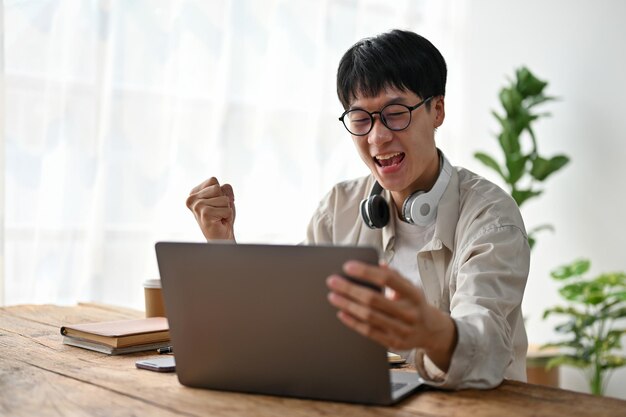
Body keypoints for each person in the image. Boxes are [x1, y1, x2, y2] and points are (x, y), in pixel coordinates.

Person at [185, 29, 529, 390]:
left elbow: (487, 340)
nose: (377, 137)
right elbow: (283, 318)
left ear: (437, 110)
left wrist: (432, 331)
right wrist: (223, 245)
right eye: (361, 119)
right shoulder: (341, 207)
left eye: (396, 113)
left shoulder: (491, 217)